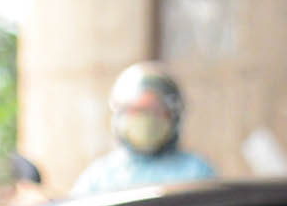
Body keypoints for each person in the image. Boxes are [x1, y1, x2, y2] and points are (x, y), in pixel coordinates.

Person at [73, 61, 216, 195]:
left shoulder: (196, 172)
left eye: (155, 111)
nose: (146, 119)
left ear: (173, 116)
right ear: (119, 116)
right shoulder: (99, 177)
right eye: (137, 111)